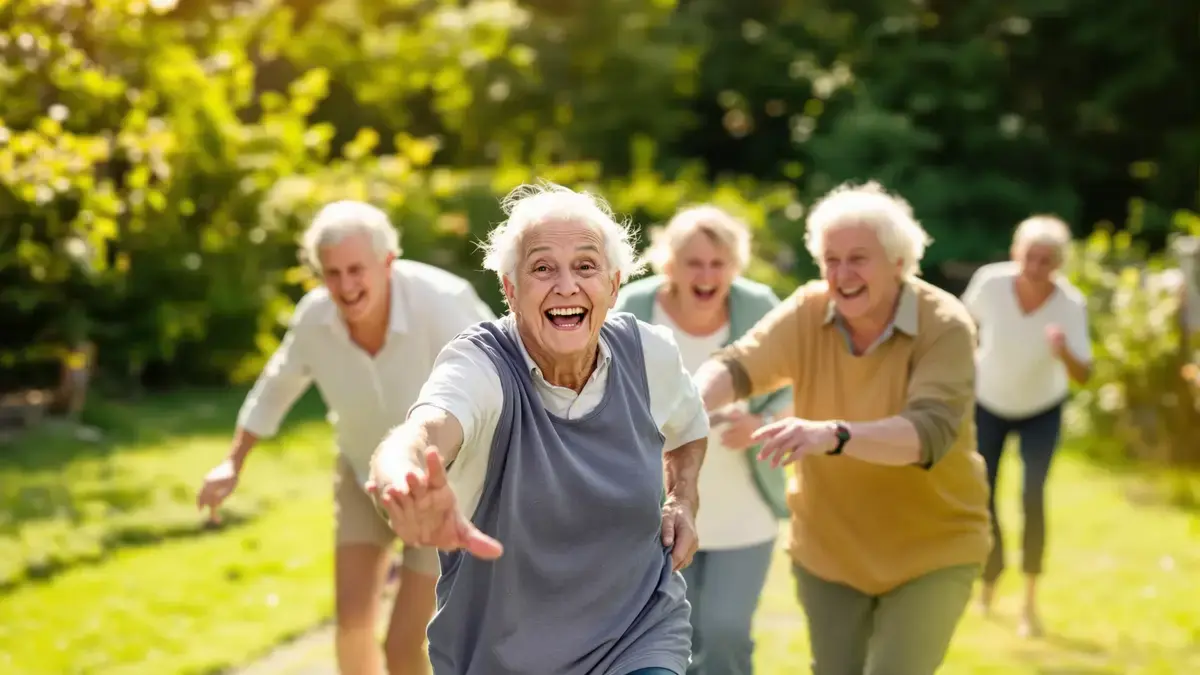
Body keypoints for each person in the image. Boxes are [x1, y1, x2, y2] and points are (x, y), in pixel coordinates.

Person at [367, 182, 710, 675]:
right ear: (510, 289)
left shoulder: (648, 354)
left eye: (586, 267)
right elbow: (425, 429)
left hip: (636, 636)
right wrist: (403, 478)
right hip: (501, 657)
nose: (567, 286)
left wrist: (683, 498)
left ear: (614, 285)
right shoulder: (482, 365)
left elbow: (690, 427)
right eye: (543, 268)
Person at [691, 181, 992, 675]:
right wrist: (690, 405)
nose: (842, 275)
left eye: (858, 259)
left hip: (933, 550)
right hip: (829, 552)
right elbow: (738, 365)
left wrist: (832, 434)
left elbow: (927, 434)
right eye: (831, 260)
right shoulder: (809, 310)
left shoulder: (945, 325)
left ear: (898, 262)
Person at [195, 201, 495, 675]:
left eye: (356, 270)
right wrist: (233, 462)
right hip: (362, 476)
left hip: (443, 489)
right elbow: (276, 386)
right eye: (331, 273)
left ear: (387, 262)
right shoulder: (315, 319)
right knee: (352, 627)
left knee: (403, 647)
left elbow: (502, 370)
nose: (345, 286)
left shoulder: (442, 300)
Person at [614, 205, 790, 675]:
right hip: (659, 508)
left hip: (745, 511)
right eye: (694, 263)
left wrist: (761, 422)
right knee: (675, 637)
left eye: (719, 263)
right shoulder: (634, 307)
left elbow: (793, 382)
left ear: (735, 266)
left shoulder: (759, 306)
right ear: (669, 263)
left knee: (727, 632)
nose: (707, 276)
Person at [961, 215, 1092, 638]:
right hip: (989, 402)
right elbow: (960, 327)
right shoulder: (991, 283)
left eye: (1046, 260)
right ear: (1016, 252)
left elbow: (1084, 374)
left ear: (1059, 263)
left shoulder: (1070, 303)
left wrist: (1063, 350)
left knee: (1032, 494)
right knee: (983, 492)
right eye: (1029, 257)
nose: (1035, 267)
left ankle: (1029, 602)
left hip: (1041, 408)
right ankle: (990, 577)